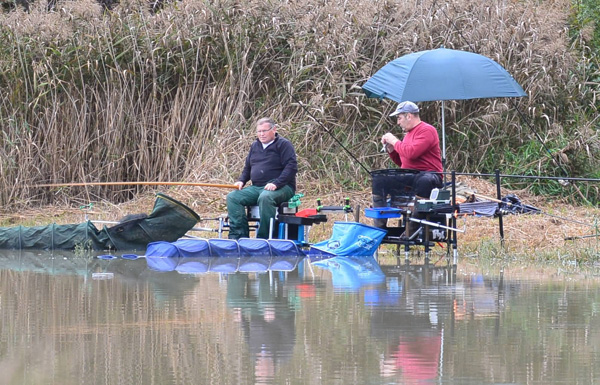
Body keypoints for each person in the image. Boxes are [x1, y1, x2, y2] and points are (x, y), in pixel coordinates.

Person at [373, 101, 443, 227]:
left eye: (399, 118)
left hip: (429, 176)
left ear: (409, 116)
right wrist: (391, 150)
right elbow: (403, 162)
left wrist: (394, 141)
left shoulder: (427, 130)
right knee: (379, 180)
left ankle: (412, 228)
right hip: (410, 176)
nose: (398, 122)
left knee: (424, 181)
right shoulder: (408, 134)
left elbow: (411, 153)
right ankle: (379, 227)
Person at [226, 117, 297, 239]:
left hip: (283, 187)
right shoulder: (255, 146)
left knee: (266, 197)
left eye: (264, 131)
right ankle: (238, 236)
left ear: (274, 129)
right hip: (257, 187)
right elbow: (248, 167)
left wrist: (277, 183)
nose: (261, 134)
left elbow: (291, 167)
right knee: (233, 197)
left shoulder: (284, 144)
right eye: (259, 131)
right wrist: (241, 180)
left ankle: (265, 237)